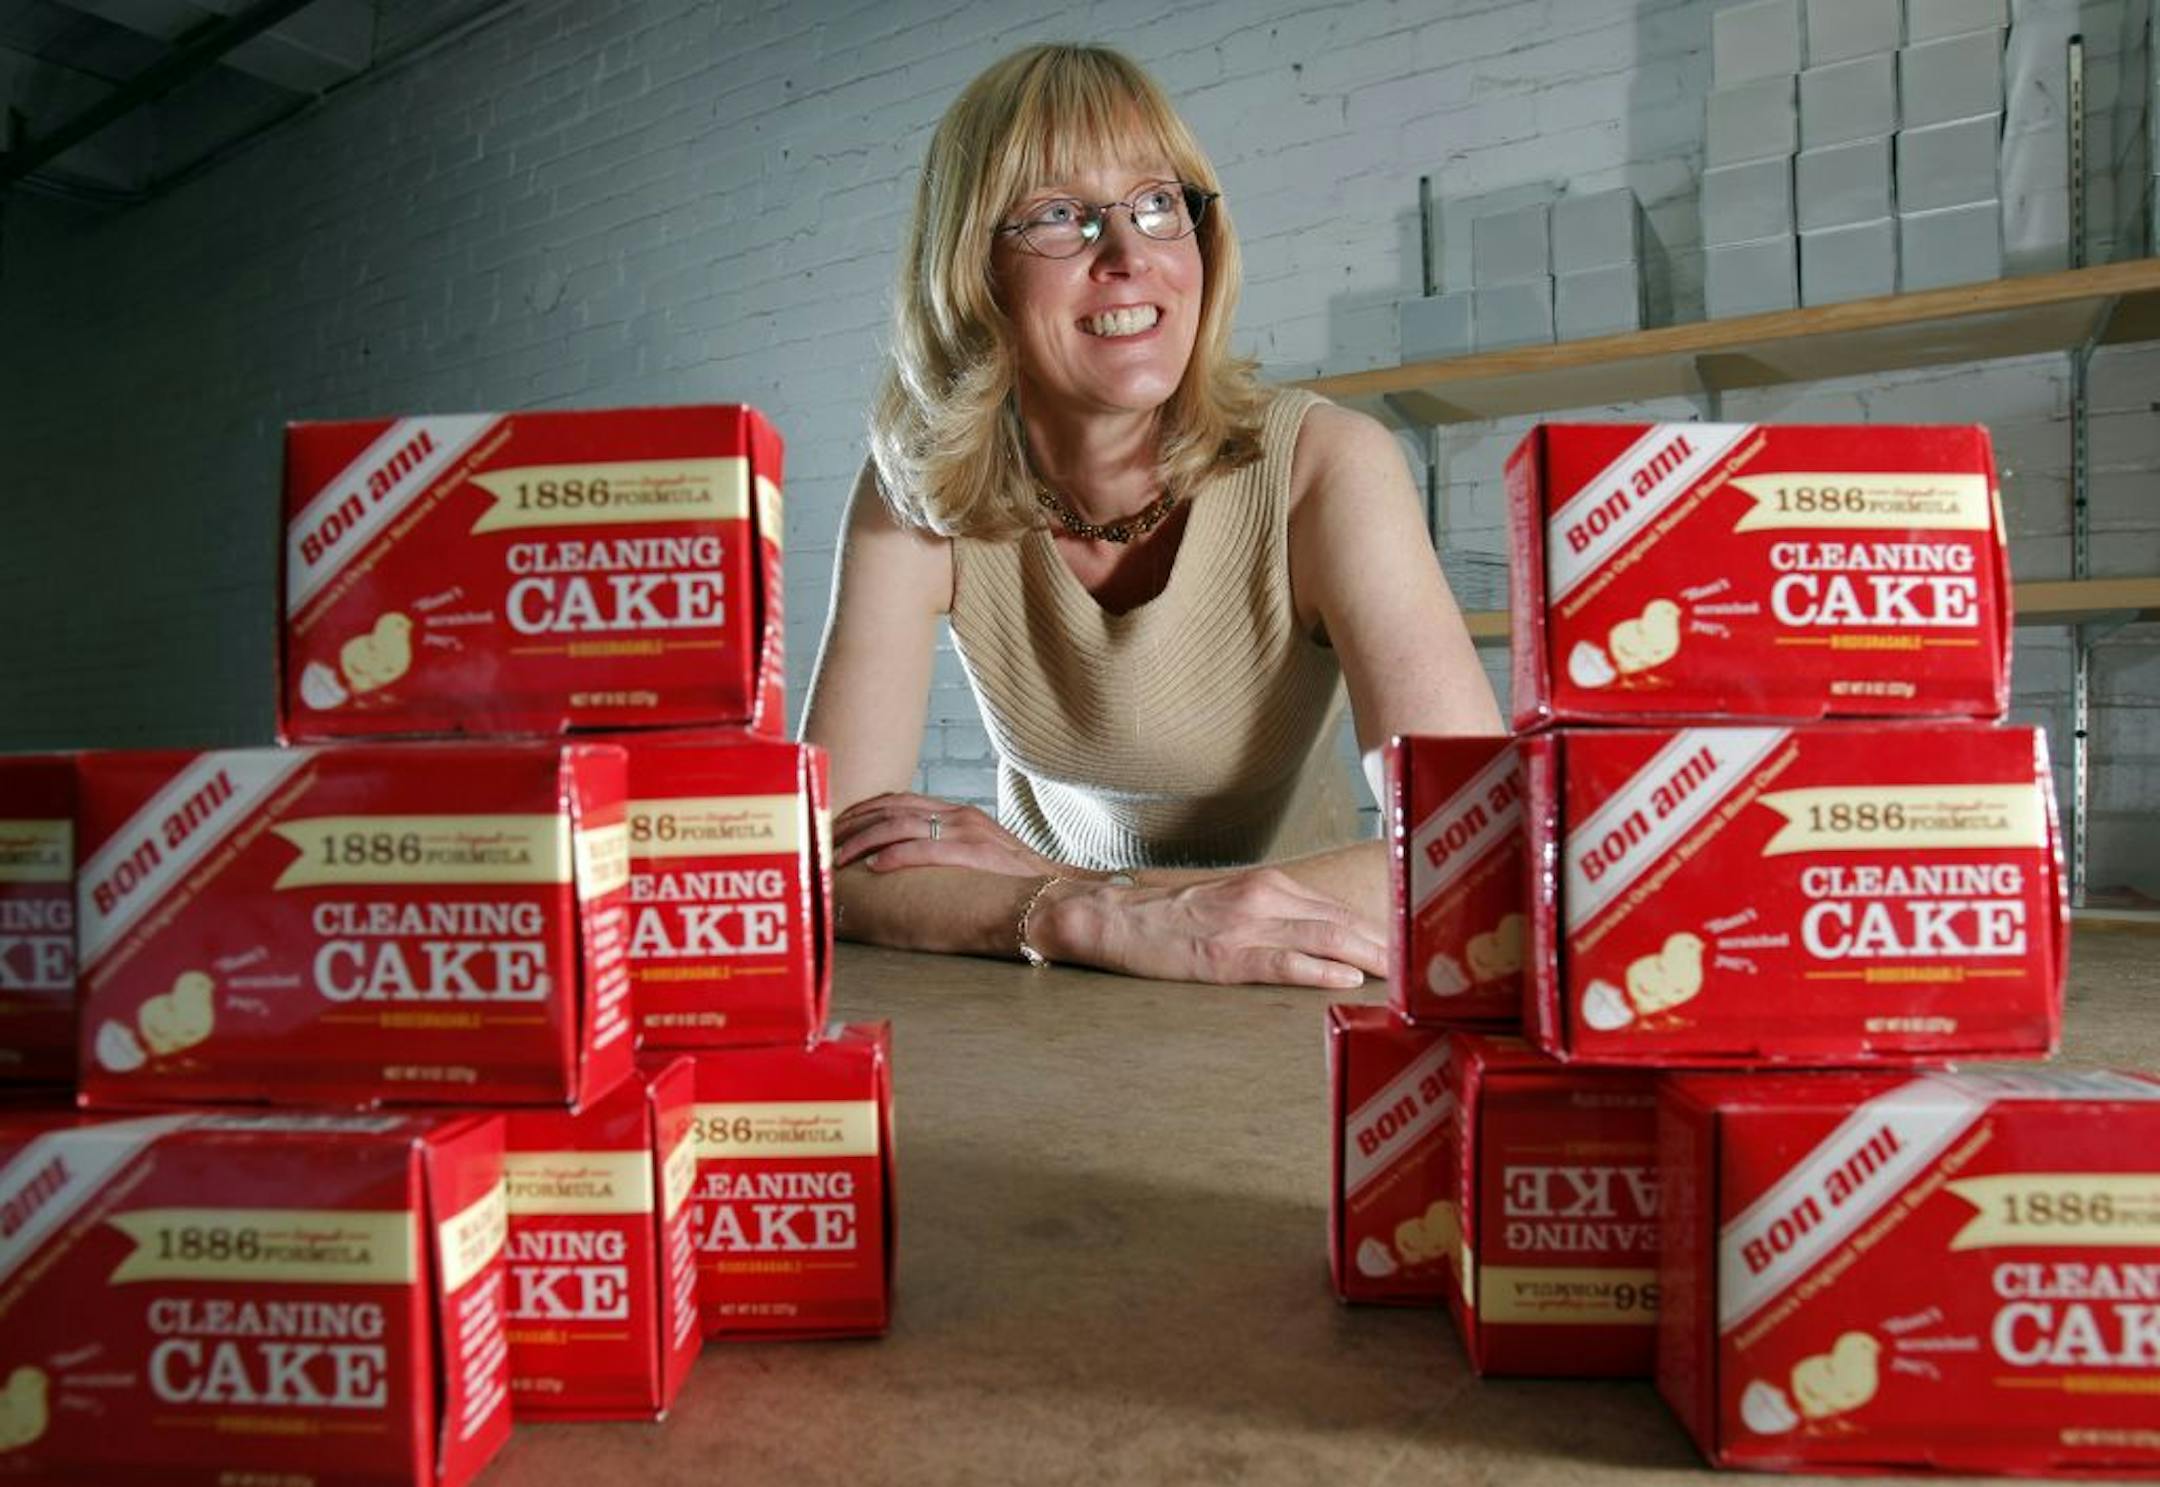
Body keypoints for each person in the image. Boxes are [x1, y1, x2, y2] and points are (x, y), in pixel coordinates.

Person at [800, 42, 1500, 990]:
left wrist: (1075, 891)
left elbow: (1475, 851)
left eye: (1159, 204)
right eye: (1059, 217)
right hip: (1045, 983)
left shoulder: (1328, 469)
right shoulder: (917, 489)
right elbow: (811, 866)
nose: (1130, 257)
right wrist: (1083, 916)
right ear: (973, 272)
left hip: (1297, 976)